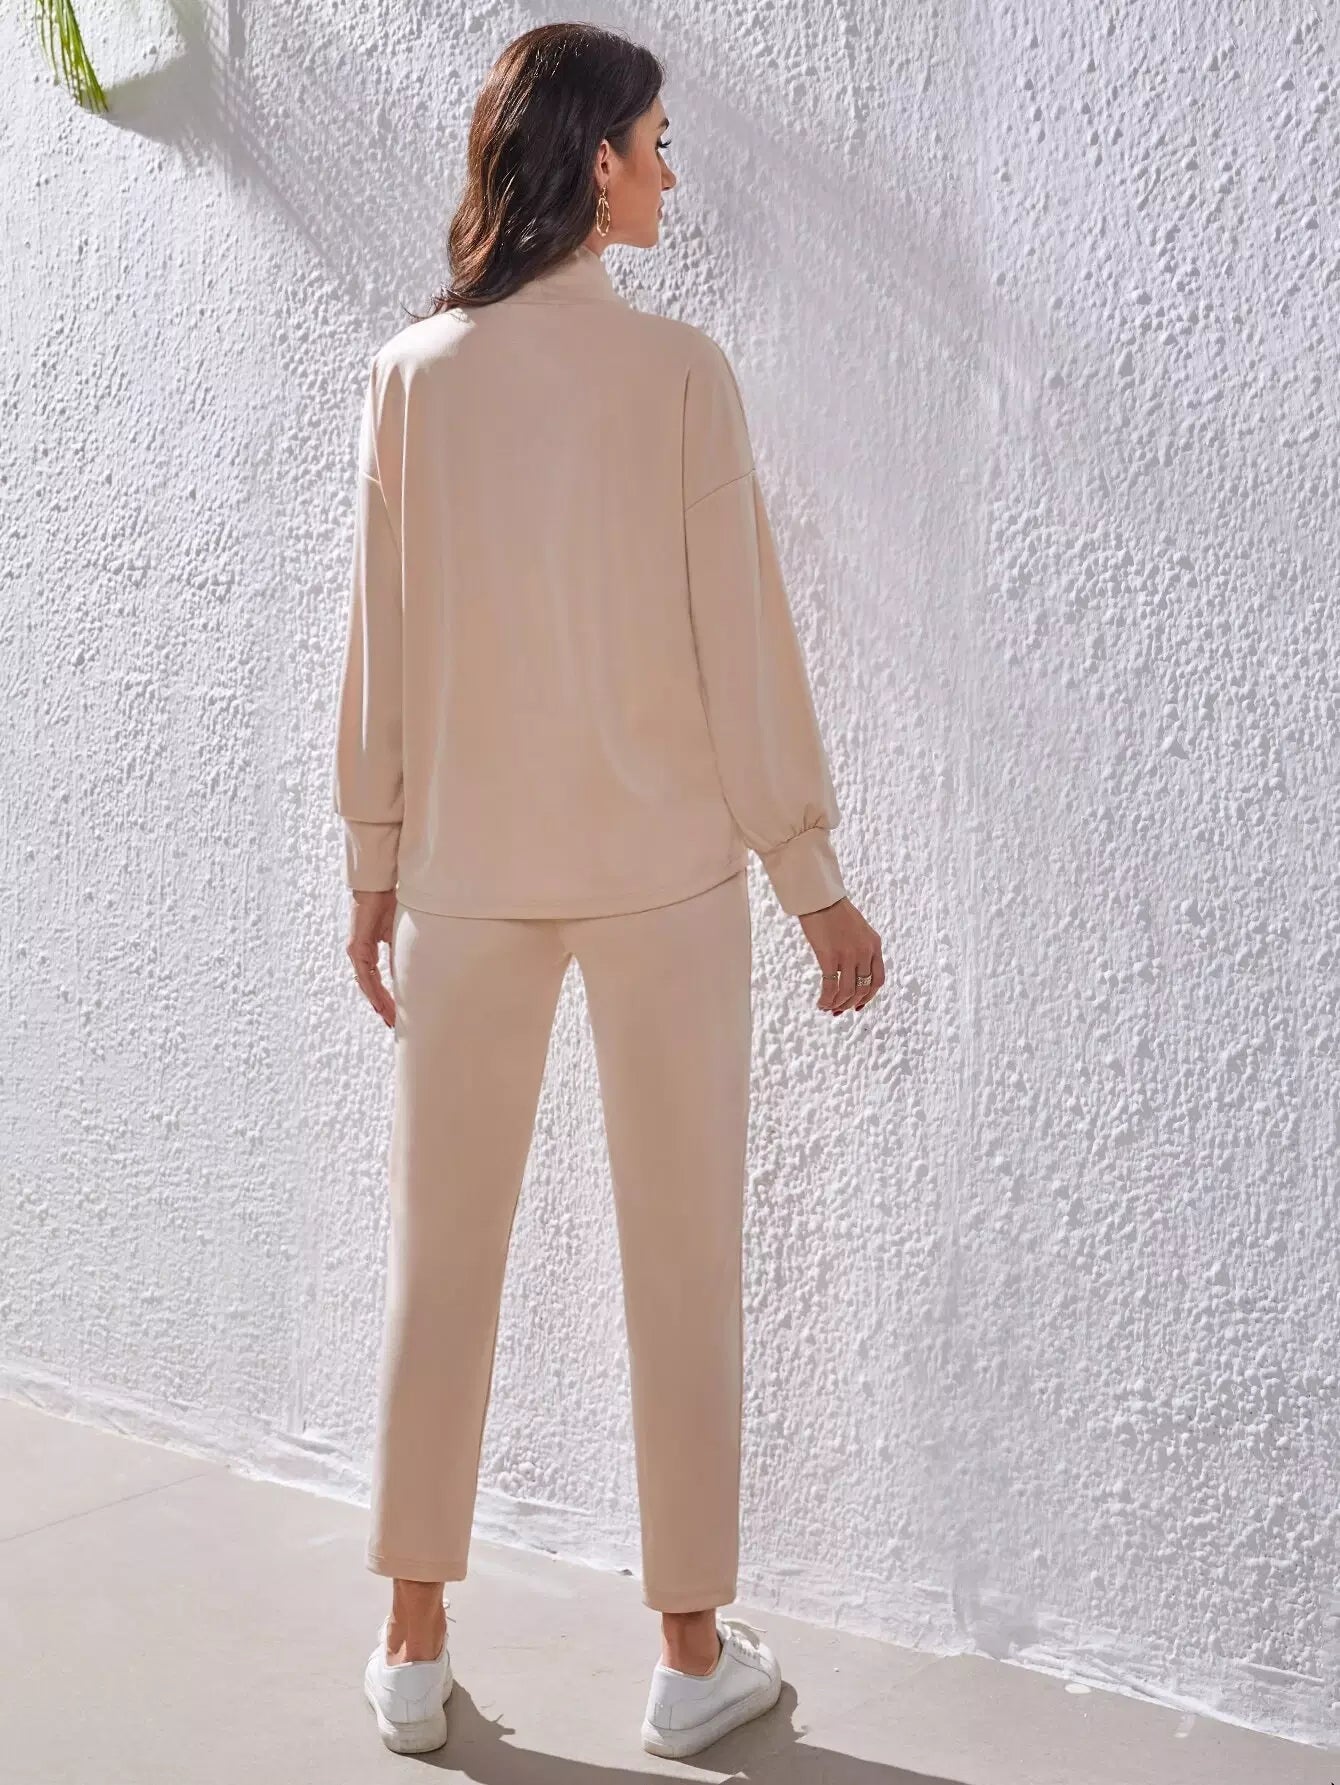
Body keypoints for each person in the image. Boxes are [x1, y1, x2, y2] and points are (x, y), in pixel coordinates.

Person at [331, 21, 884, 1763]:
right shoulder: (679, 376)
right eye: (653, 144)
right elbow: (745, 649)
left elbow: (381, 654)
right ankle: (689, 1655)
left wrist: (372, 864)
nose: (668, 172)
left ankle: (411, 1643)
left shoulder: (413, 375)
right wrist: (812, 878)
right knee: (682, 1261)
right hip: (663, 883)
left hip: (469, 878)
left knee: (440, 1257)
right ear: (592, 162)